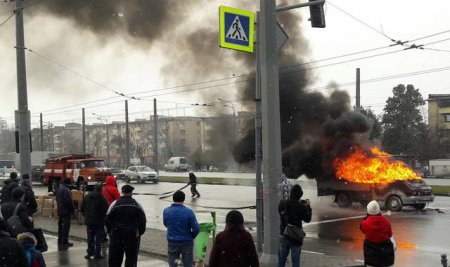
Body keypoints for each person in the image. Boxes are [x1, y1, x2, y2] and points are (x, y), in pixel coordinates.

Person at [105, 184, 146, 267]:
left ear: (122, 192)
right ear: (131, 193)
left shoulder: (115, 203)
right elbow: (143, 220)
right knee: (131, 258)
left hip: (117, 235)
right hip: (132, 235)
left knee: (115, 258)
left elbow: (107, 219)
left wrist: (110, 232)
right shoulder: (136, 204)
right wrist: (139, 232)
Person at [278, 184, 312, 267]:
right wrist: (308, 206)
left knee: (281, 259)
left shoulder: (282, 203)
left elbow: (281, 212)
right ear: (300, 195)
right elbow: (307, 219)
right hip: (296, 236)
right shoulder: (301, 206)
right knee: (295, 261)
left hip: (284, 233)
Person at [163, 190, 200, 267]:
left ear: (173, 199)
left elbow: (166, 224)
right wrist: (190, 236)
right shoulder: (189, 212)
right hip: (187, 243)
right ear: (183, 199)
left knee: (173, 265)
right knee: (188, 265)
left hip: (172, 242)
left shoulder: (166, 211)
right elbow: (196, 229)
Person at [360, 200, 395, 267]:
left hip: (371, 259)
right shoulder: (386, 222)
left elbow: (362, 229)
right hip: (386, 259)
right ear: (379, 210)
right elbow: (390, 234)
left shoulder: (365, 223)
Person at [80, 184, 109, 260]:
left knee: (90, 238)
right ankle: (97, 254)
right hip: (99, 222)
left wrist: (85, 216)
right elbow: (106, 211)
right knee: (98, 239)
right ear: (101, 189)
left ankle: (90, 253)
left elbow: (82, 208)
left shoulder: (87, 196)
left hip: (89, 221)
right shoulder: (102, 198)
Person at [56, 177, 75, 248]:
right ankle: (65, 241)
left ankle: (60, 239)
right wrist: (73, 209)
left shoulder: (59, 189)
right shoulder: (66, 190)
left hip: (60, 210)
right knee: (66, 227)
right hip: (66, 211)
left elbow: (57, 199)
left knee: (60, 226)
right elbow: (69, 201)